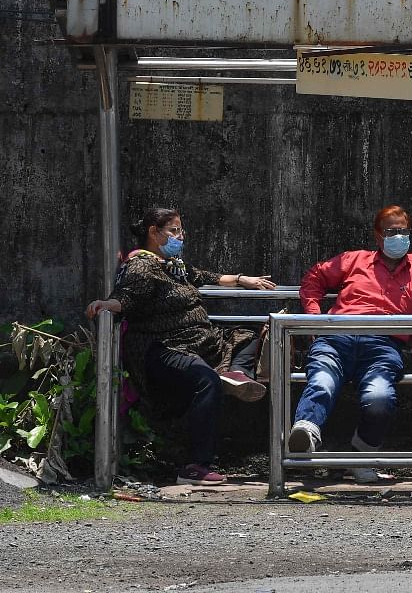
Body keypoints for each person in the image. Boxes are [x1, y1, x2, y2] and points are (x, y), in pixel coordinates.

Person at [85, 207, 276, 485]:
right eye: (174, 231)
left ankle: (236, 373)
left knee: (247, 336)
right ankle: (196, 466)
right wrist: (107, 305)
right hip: (163, 346)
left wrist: (241, 279)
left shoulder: (174, 265)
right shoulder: (141, 266)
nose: (180, 236)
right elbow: (126, 297)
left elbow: (204, 276)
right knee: (206, 380)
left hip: (198, 342)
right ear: (153, 232)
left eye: (181, 231)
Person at [286, 205, 412, 484]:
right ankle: (306, 434)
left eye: (403, 231)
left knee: (380, 397)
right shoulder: (355, 259)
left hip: (384, 346)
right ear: (378, 236)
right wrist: (314, 320)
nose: (399, 237)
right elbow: (314, 278)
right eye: (392, 232)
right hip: (337, 338)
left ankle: (362, 453)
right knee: (322, 380)